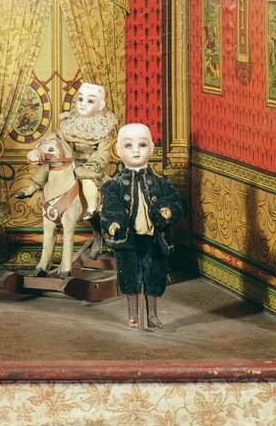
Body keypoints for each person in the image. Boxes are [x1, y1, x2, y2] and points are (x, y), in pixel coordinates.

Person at [99, 124, 184, 330]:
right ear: (118, 150)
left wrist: (166, 211)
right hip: (128, 240)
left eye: (142, 145)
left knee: (154, 275)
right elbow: (110, 209)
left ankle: (152, 315)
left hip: (154, 240)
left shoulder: (162, 185)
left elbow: (174, 203)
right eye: (129, 146)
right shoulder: (113, 187)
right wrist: (114, 223)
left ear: (152, 148)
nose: (136, 151)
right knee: (130, 276)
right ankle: (133, 315)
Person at [31, 82, 117, 220]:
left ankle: (91, 207)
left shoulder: (102, 128)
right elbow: (57, 137)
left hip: (89, 164)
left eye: (90, 101)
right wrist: (44, 144)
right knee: (48, 166)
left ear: (100, 105)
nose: (83, 104)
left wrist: (93, 164)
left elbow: (103, 153)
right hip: (69, 161)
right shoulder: (70, 123)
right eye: (80, 99)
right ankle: (32, 187)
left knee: (87, 179)